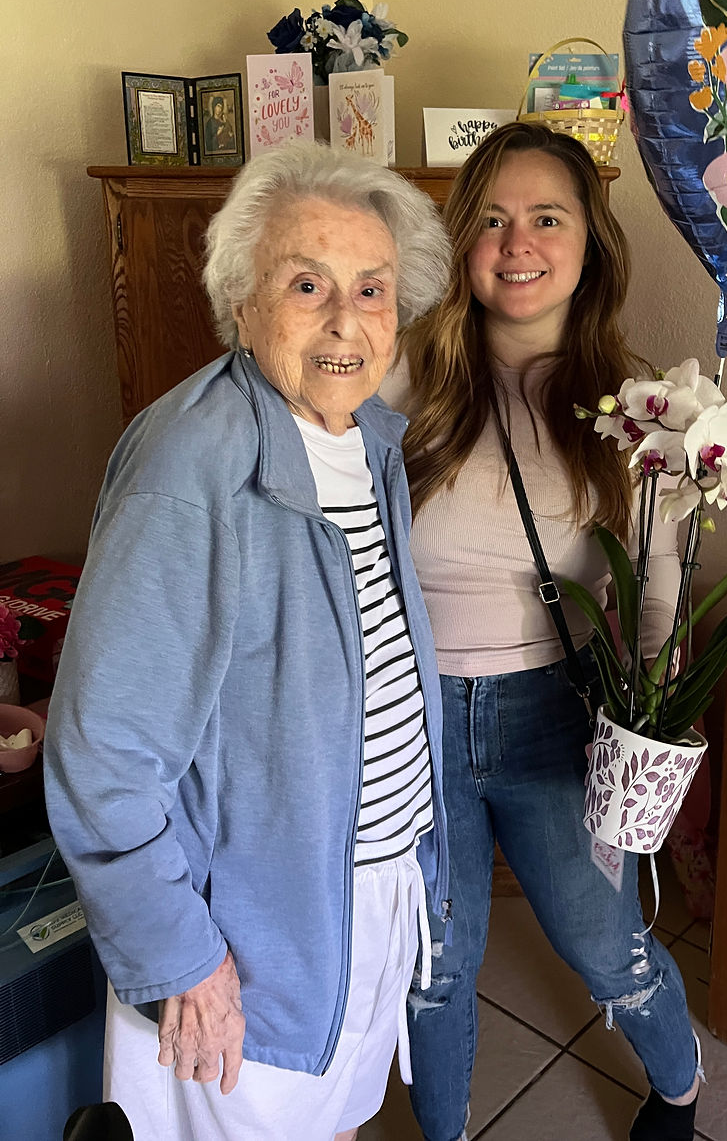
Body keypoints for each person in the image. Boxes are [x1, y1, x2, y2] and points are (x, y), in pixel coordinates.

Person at [44, 139, 453, 1141]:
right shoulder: (191, 463)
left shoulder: (364, 434)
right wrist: (181, 953)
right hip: (247, 928)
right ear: (243, 302)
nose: (345, 320)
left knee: (340, 1113)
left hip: (355, 893)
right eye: (306, 284)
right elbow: (102, 755)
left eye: (369, 288)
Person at [384, 122, 703, 1141]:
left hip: (552, 712)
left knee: (603, 943)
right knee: (432, 963)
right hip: (407, 712)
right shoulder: (397, 381)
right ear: (458, 242)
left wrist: (653, 716)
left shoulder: (636, 409)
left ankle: (679, 1089)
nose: (515, 242)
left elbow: (654, 588)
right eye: (489, 218)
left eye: (545, 217)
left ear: (588, 243)